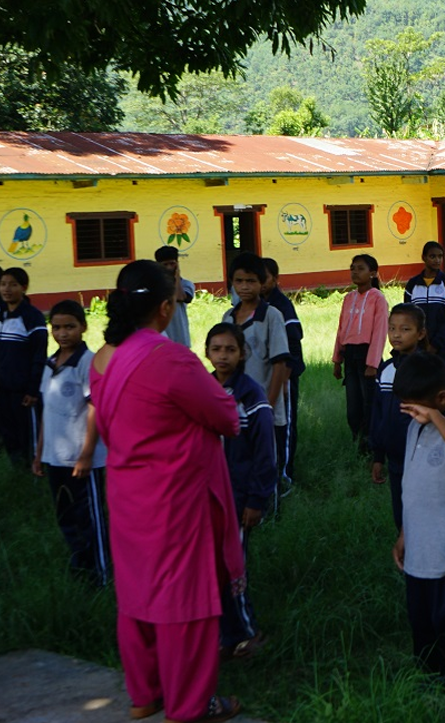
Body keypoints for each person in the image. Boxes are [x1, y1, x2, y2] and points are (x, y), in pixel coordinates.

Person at [91, 260, 244, 723]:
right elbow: (227, 417)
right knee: (186, 603)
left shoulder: (102, 357)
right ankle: (190, 705)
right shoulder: (169, 357)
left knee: (137, 595)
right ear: (165, 307)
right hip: (174, 497)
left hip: (125, 491)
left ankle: (145, 695)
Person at [390, 353, 445, 693]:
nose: (411, 414)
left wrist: (433, 416)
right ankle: (429, 685)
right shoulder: (416, 426)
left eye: (415, 407)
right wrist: (403, 535)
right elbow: (412, 488)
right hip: (418, 553)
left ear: (441, 399)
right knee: (422, 626)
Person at [205, 323, 275, 661]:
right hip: (206, 499)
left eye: (230, 349)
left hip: (238, 498)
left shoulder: (251, 394)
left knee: (234, 567)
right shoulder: (201, 389)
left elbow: (264, 452)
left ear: (242, 353)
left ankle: (248, 632)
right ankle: (223, 633)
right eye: (216, 349)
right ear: (206, 352)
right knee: (211, 567)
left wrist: (256, 499)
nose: (222, 356)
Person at [32, 300, 109, 586]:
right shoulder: (50, 363)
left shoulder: (87, 362)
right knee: (65, 515)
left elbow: (95, 408)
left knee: (89, 517)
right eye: (57, 327)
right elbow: (46, 411)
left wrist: (87, 454)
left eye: (69, 327)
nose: (63, 333)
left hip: (81, 458)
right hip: (55, 456)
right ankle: (80, 569)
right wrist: (39, 452)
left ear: (84, 327)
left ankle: (101, 576)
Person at [224, 254, 291, 494]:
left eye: (251, 281)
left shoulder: (272, 316)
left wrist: (268, 407)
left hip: (265, 407)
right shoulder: (228, 317)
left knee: (266, 466)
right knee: (241, 463)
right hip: (237, 408)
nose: (244, 287)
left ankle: (270, 514)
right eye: (239, 281)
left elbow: (280, 364)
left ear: (262, 283)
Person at [370, 304, 428, 531]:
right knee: (401, 513)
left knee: (421, 513)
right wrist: (377, 455)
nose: (396, 334)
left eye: (405, 329)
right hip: (394, 457)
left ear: (420, 334)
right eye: (392, 328)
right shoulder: (385, 370)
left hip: (421, 457)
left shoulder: (426, 368)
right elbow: (378, 414)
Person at [0, 266, 47, 468]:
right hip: (3, 388)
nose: (7, 289)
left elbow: (39, 355)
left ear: (23, 287)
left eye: (13, 284)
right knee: (8, 432)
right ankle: (17, 470)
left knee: (27, 434)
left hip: (24, 390)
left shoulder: (32, 316)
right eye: (3, 284)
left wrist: (33, 389)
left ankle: (35, 471)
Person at [333, 253, 389, 457]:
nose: (355, 272)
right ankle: (357, 442)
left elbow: (380, 331)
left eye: (360, 268)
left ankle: (371, 447)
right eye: (352, 268)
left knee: (369, 404)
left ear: (373, 273)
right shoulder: (349, 298)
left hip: (368, 356)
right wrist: (337, 359)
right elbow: (341, 330)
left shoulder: (378, 298)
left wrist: (373, 363)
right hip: (350, 356)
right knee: (353, 407)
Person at [261, 257, 304, 486]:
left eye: (264, 278)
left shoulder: (282, 305)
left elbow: (294, 340)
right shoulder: (254, 305)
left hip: (285, 373)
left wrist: (287, 376)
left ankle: (286, 474)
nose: (259, 283)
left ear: (275, 279)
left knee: (285, 425)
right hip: (265, 375)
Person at [404, 241, 445, 396]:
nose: (437, 260)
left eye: (440, 256)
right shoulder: (412, 285)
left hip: (442, 345)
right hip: (419, 345)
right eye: (432, 256)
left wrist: (436, 343)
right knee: (422, 382)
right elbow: (408, 317)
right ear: (424, 258)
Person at [154, 246, 196, 348]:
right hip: (161, 341)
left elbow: (180, 297)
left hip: (181, 337)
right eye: (165, 265)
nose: (169, 268)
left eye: (172, 264)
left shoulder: (186, 284)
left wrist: (176, 276)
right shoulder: (154, 286)